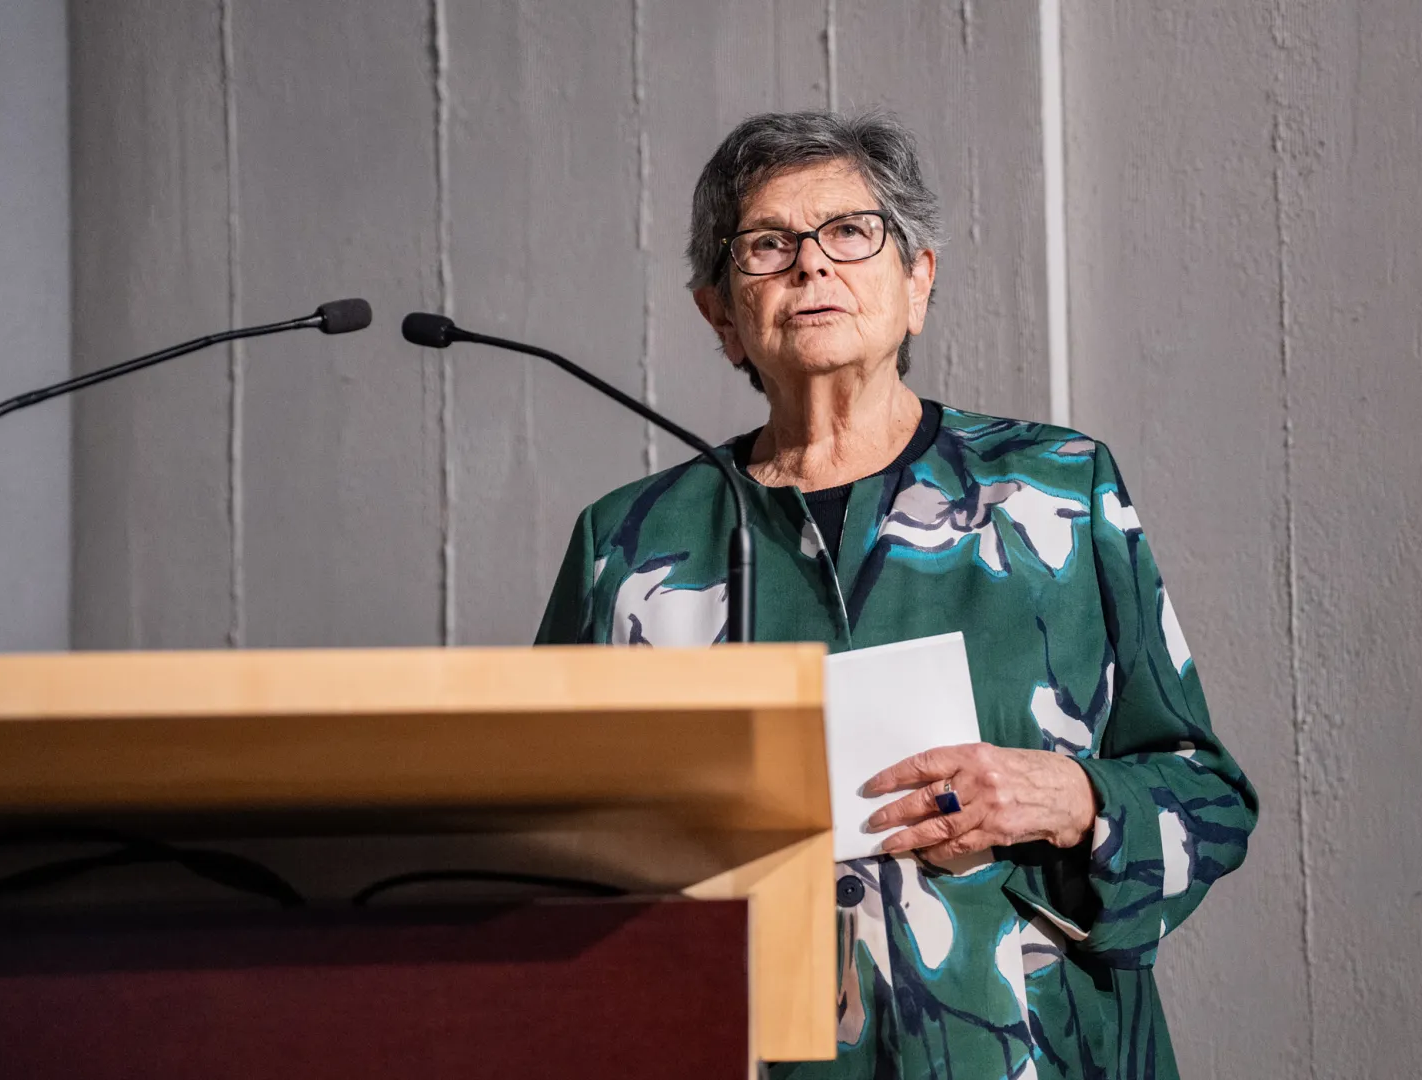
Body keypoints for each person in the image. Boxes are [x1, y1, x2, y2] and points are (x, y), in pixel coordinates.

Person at [535, 110, 1256, 1079]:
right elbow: (541, 846)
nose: (811, 264)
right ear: (720, 316)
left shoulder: (1058, 491)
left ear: (917, 282)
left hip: (1031, 1051)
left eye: (850, 232)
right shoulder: (627, 545)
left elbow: (1208, 798)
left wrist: (1072, 798)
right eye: (767, 245)